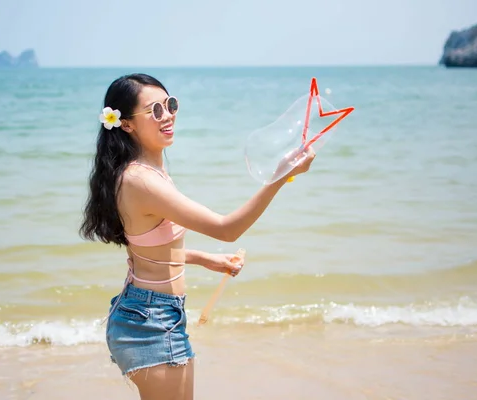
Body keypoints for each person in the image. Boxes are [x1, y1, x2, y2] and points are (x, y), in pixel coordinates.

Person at [79, 73, 316, 400]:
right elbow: (227, 229)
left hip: (153, 313)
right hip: (150, 321)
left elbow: (145, 251)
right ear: (127, 124)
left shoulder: (146, 172)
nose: (168, 115)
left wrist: (207, 260)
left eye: (170, 105)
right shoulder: (141, 181)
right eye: (155, 110)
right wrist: (279, 177)